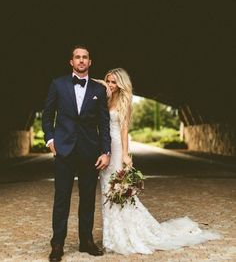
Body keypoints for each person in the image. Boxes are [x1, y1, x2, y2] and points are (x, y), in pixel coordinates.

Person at [99, 67, 221, 255]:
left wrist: (125, 154)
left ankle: (124, 235)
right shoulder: (105, 98)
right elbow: (91, 84)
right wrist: (99, 84)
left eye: (114, 82)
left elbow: (124, 131)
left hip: (116, 148)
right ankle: (112, 236)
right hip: (104, 148)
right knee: (107, 190)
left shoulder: (124, 102)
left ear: (122, 84)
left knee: (118, 191)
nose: (110, 84)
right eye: (108, 81)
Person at [42, 44, 111, 261]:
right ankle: (57, 244)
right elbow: (47, 115)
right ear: (71, 62)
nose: (81, 60)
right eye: (77, 57)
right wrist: (50, 139)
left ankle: (86, 241)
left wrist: (106, 151)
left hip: (90, 152)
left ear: (90, 62)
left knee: (88, 198)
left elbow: (104, 124)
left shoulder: (99, 90)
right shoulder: (58, 84)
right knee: (62, 198)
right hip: (64, 151)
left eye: (85, 57)